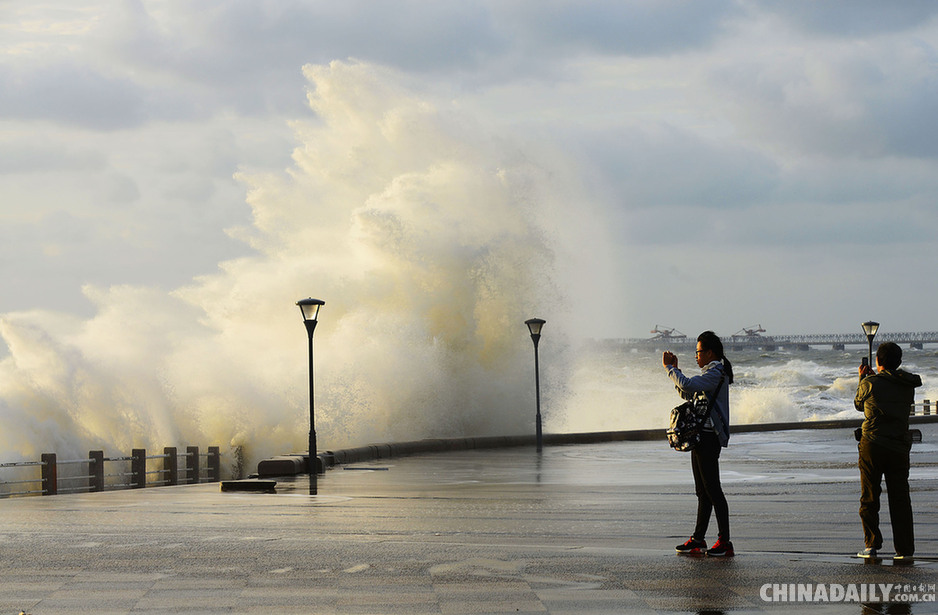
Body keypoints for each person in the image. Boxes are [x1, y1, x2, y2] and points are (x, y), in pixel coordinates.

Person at [662, 331, 735, 557]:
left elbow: (690, 385)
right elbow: (688, 392)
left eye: (698, 351)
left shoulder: (716, 373)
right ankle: (698, 539)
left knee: (714, 490)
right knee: (702, 492)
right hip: (699, 437)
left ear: (710, 352)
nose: (696, 356)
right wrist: (677, 372)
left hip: (709, 438)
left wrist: (670, 369)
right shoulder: (708, 374)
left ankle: (725, 541)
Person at [855, 341, 921, 560]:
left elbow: (858, 403)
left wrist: (863, 378)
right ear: (899, 361)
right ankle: (904, 550)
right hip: (899, 446)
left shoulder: (870, 382)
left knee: (870, 497)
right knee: (900, 499)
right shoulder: (907, 384)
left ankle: (871, 545)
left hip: (872, 444)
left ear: (877, 361)